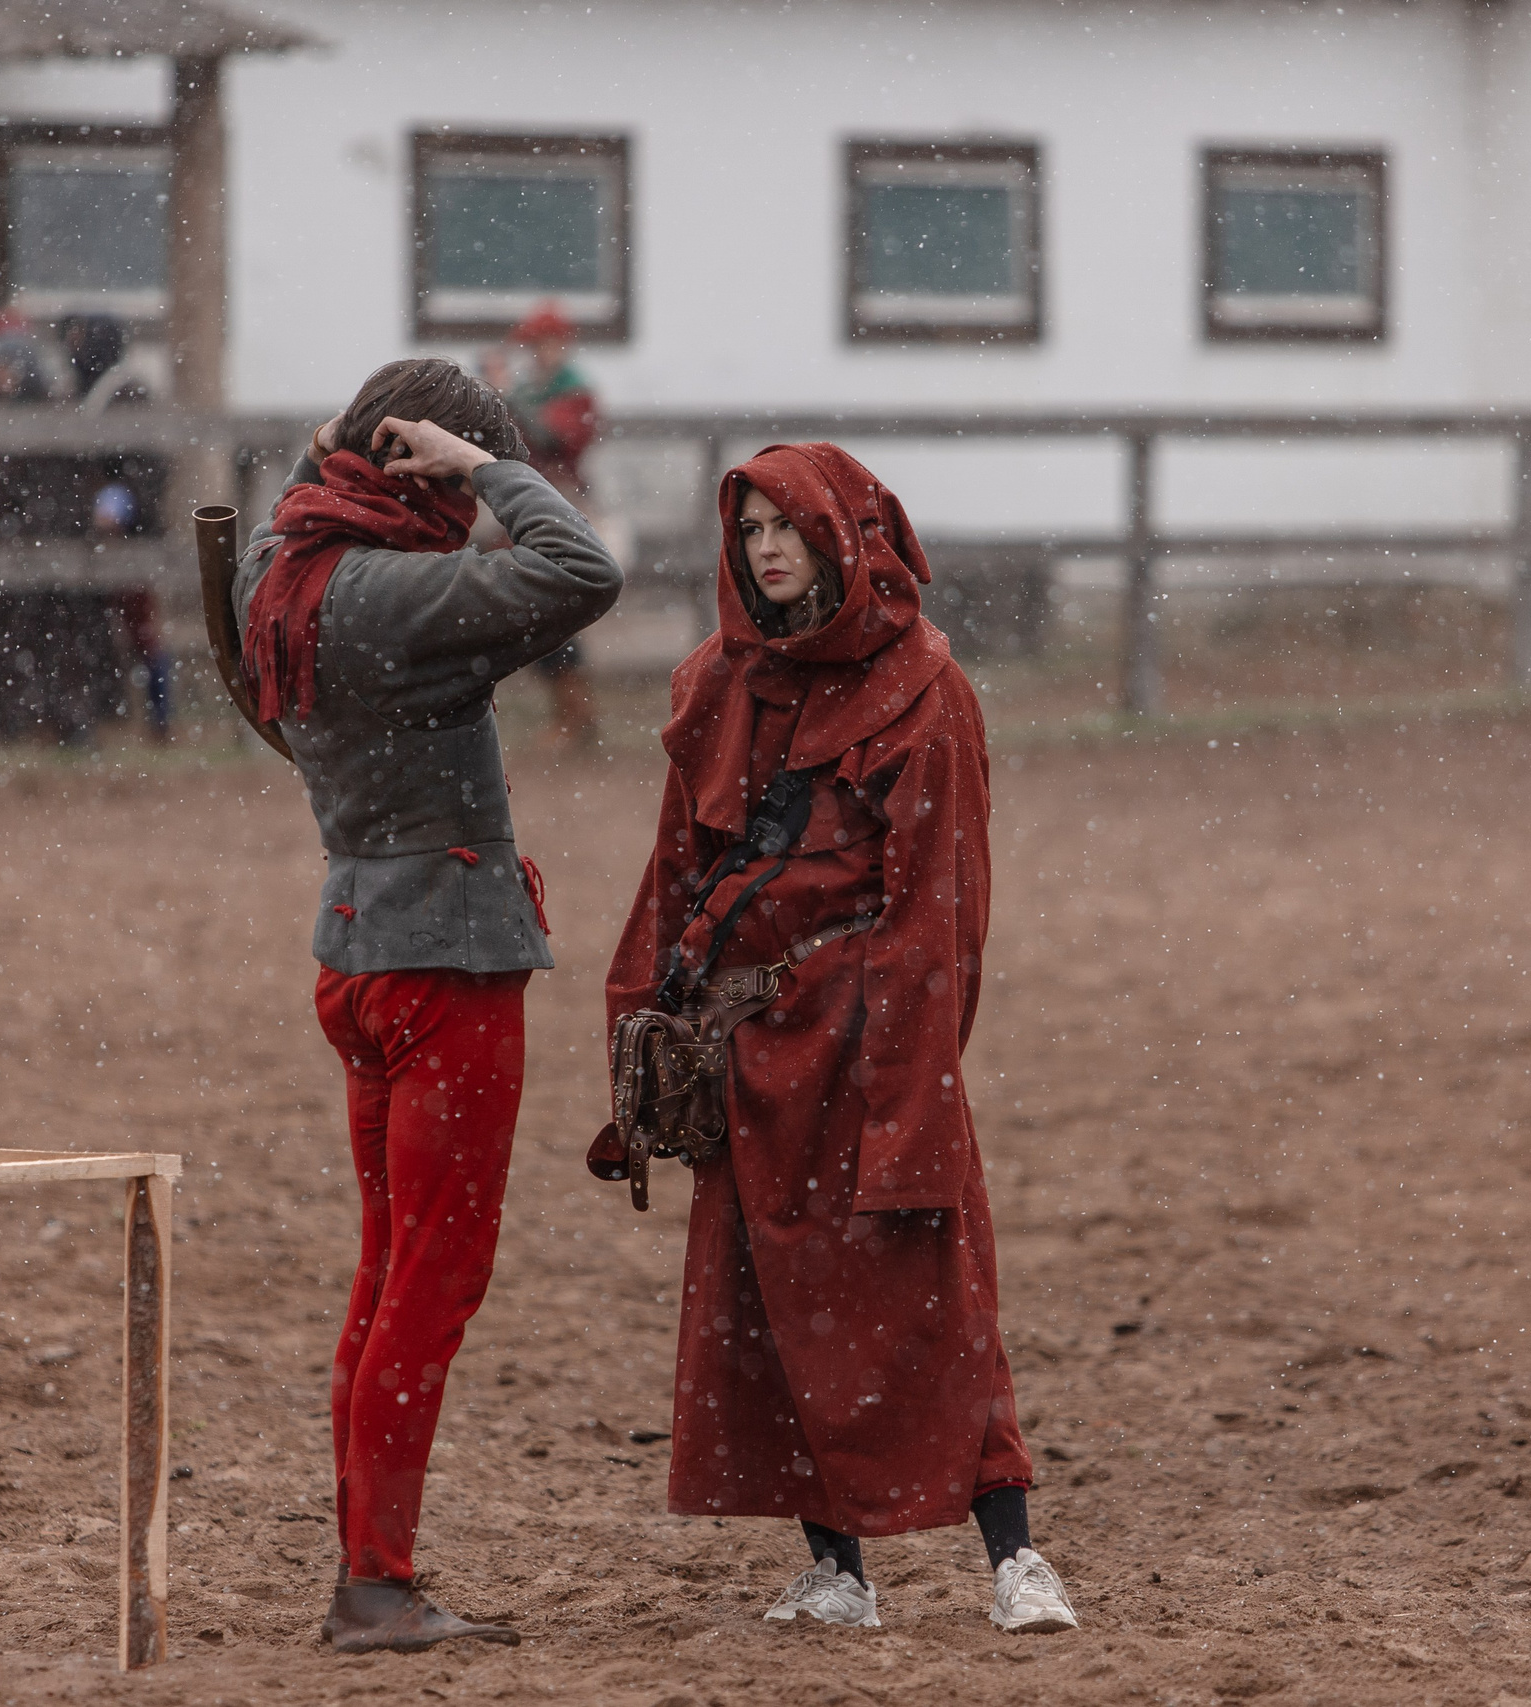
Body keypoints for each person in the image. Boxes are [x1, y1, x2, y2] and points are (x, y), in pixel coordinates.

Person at [599, 443, 1079, 1635]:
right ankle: (838, 1572)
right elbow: (676, 873)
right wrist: (643, 1027)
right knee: (771, 1312)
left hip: (871, 1045)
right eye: (750, 528)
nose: (766, 550)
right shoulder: (716, 682)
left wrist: (910, 1097)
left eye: (790, 528)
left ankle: (1015, 1560)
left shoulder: (926, 693)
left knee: (933, 1297)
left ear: (845, 535)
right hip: (747, 1051)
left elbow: (939, 916)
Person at [235, 357, 623, 1653]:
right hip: (445, 964)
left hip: (354, 945)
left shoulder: (278, 573)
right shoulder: (400, 592)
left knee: (385, 1273)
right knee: (431, 1284)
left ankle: (369, 1565)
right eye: (454, 484)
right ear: (423, 472)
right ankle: (378, 1584)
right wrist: (495, 471)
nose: (465, 513)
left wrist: (326, 454)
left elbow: (299, 504)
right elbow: (583, 571)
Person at [486, 302, 604, 749]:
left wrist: (508, 396)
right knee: (538, 611)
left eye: (543, 343)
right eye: (532, 344)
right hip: (528, 508)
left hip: (559, 506)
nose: (537, 352)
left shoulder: (574, 392)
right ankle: (574, 717)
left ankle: (577, 717)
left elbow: (557, 441)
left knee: (551, 611)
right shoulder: (538, 389)